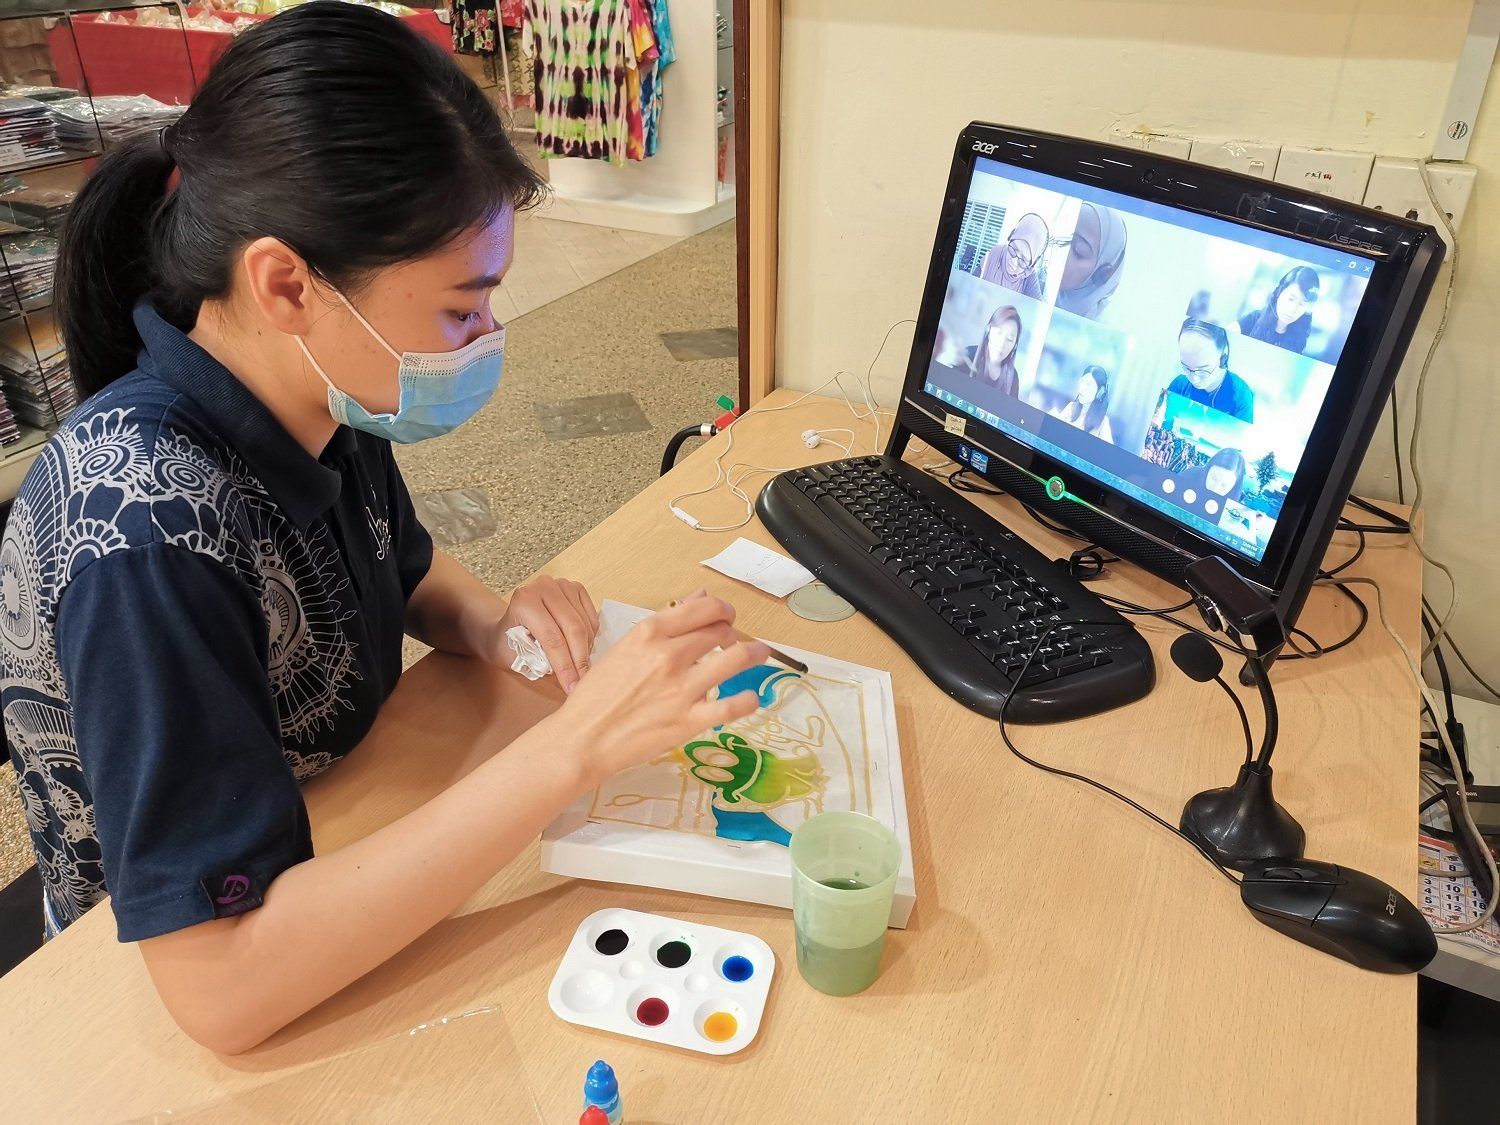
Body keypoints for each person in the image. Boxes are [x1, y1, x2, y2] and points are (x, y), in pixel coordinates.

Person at [0, 4, 767, 1055]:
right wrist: (576, 747)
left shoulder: (318, 393)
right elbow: (220, 990)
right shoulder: (150, 538)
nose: (488, 337)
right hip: (147, 982)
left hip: (335, 820)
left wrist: (497, 625)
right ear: (286, 284)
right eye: (461, 310)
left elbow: (401, 565)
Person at [1166, 318, 1254, 423]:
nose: (1194, 379)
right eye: (1186, 367)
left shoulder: (1240, 395)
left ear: (1223, 359)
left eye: (1202, 371)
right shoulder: (1179, 384)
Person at [1056, 203, 1127, 319]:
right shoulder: (1036, 285)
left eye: (1079, 252)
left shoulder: (1102, 324)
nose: (1062, 253)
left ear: (1102, 273)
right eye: (1064, 241)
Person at [1239, 265, 1320, 353]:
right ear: (1279, 293)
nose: (1293, 309)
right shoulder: (1254, 319)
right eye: (1290, 299)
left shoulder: (1298, 337)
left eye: (1302, 304)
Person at [978, 212, 1049, 298]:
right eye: (1013, 249)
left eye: (1023, 260)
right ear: (1010, 237)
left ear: (1032, 264)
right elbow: (970, 286)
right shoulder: (995, 253)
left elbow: (1036, 304)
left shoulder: (1029, 275)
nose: (1014, 262)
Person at [964, 305, 1024, 397]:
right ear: (988, 331)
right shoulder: (967, 356)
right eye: (999, 333)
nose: (1002, 343)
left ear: (1015, 346)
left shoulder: (1013, 377)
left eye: (1009, 339)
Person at [1177, 447, 1248, 519]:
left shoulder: (1236, 508)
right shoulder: (1191, 474)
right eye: (1213, 478)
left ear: (1234, 486)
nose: (1215, 488)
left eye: (1224, 485)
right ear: (1207, 470)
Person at [1053, 364, 1114, 443]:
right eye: (1082, 382)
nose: (1082, 388)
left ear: (1100, 393)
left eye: (1088, 384)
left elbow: (1108, 449)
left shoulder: (1103, 422)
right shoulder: (1071, 407)